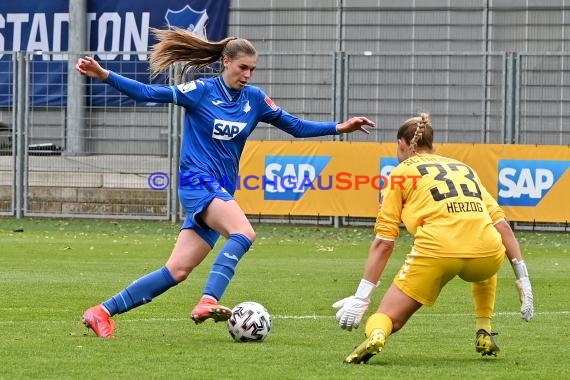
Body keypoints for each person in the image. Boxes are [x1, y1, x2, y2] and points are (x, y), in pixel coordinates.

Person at [76, 27, 374, 338]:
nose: (247, 75)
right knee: (244, 231)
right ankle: (208, 300)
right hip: (196, 182)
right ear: (225, 63)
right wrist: (104, 74)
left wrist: (341, 126)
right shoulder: (201, 91)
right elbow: (148, 93)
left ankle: (101, 312)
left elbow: (296, 127)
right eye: (242, 67)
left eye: (252, 70)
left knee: (176, 271)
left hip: (218, 191)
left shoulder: (255, 99)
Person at [332, 112, 534, 364]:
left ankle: (377, 335)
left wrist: (362, 297)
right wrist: (523, 279)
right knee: (483, 241)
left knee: (388, 317)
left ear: (401, 145)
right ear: (433, 144)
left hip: (437, 250)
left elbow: (384, 242)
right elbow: (502, 225)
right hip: (487, 255)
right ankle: (483, 327)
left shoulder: (400, 173)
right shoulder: (464, 168)